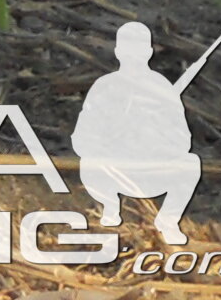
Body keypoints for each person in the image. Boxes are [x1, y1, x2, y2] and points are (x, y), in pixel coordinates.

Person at [71, 22, 209, 240]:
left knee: (190, 164)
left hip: (153, 171)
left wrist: (155, 136)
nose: (133, 58)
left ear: (149, 52)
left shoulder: (162, 88)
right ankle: (110, 209)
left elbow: (183, 141)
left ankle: (168, 221)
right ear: (118, 52)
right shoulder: (104, 87)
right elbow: (81, 139)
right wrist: (112, 139)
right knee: (88, 163)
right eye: (128, 51)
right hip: (113, 169)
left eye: (139, 51)